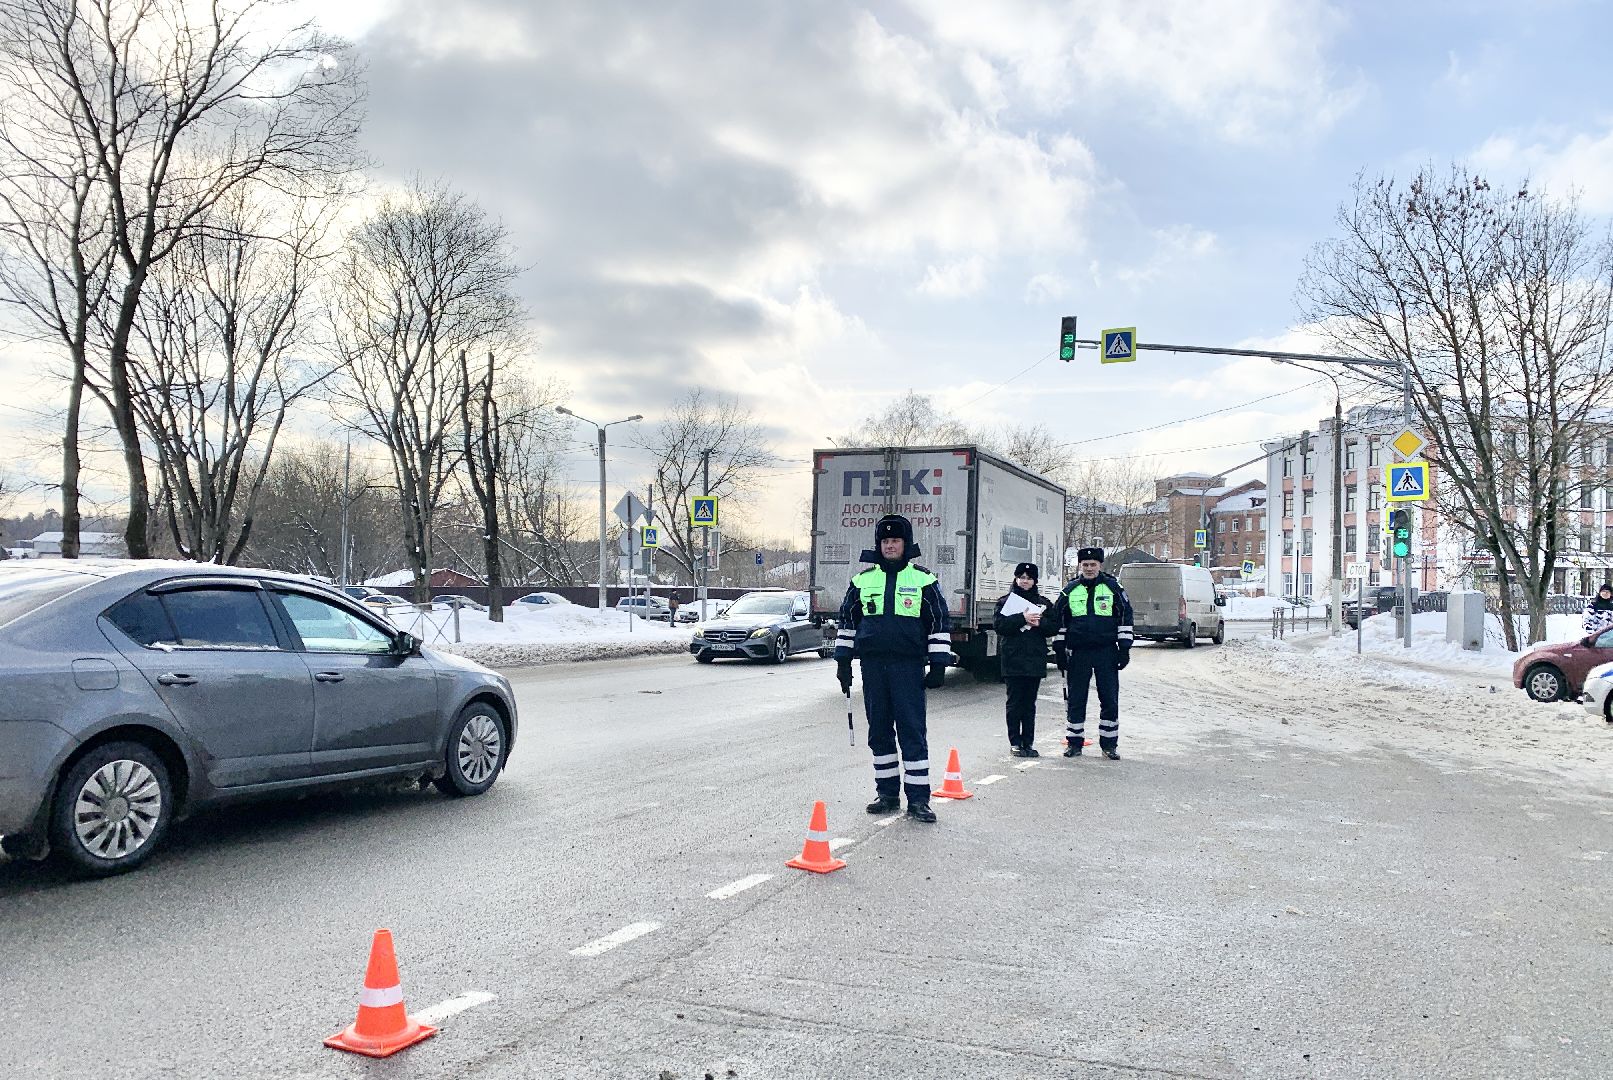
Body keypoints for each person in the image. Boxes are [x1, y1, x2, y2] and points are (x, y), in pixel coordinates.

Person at [834, 514, 951, 823]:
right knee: (880, 732)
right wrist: (843, 661)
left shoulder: (923, 580)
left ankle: (918, 800)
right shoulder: (862, 581)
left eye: (895, 541)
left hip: (908, 666)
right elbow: (847, 622)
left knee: (912, 731)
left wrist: (938, 663)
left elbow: (939, 621)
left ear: (905, 544)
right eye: (885, 541)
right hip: (873, 667)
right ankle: (887, 794)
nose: (890, 546)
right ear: (879, 545)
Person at [1049, 547, 1134, 761]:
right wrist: (1059, 650)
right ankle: (1074, 744)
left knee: (1109, 699)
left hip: (1106, 652)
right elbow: (1059, 621)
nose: (1088, 568)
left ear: (1099, 565)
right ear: (1080, 566)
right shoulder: (1070, 590)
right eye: (1085, 565)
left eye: (1092, 565)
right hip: (1079, 652)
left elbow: (1125, 617)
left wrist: (1124, 649)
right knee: (1077, 699)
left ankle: (1109, 745)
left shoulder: (1113, 588)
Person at [994, 562, 1057, 757]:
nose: (1024, 581)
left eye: (1029, 578)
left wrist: (1039, 622)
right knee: (1014, 702)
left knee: (1029, 704)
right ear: (1016, 579)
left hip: (1034, 660)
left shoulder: (1044, 603)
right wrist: (1022, 618)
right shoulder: (1005, 602)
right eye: (1021, 577)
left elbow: (1054, 626)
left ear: (1035, 581)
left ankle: (1028, 742)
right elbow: (1000, 626)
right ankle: (1015, 742)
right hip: (1013, 659)